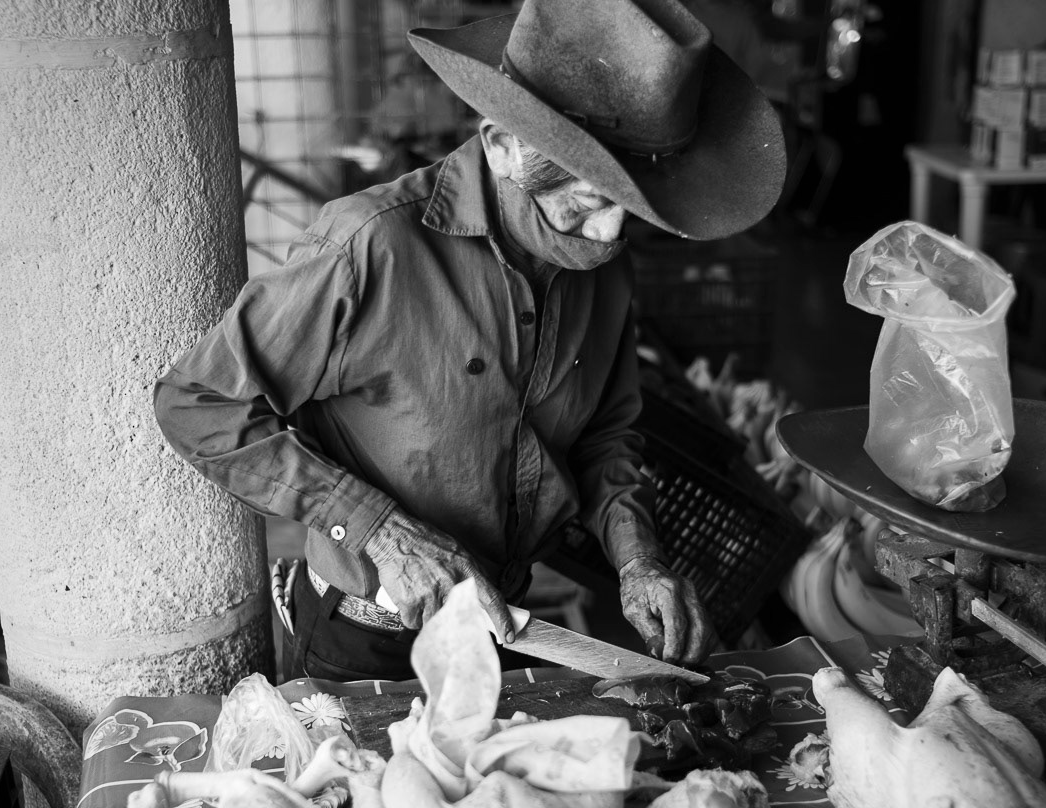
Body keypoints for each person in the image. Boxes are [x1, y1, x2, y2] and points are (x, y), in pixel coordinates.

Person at [153, 0, 786, 682]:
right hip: (366, 634)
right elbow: (196, 402)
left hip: (500, 617)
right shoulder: (372, 247)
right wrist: (378, 528)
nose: (605, 237)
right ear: (502, 145)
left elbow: (607, 433)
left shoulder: (603, 266)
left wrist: (638, 560)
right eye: (580, 204)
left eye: (626, 213)